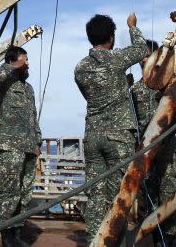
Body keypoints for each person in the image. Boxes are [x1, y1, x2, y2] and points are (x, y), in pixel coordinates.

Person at [74, 13, 148, 240]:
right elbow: (142, 49)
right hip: (118, 137)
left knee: (95, 193)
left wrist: (119, 87)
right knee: (119, 196)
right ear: (111, 37)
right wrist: (132, 27)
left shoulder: (80, 68)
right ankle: (113, 240)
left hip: (93, 136)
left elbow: (93, 95)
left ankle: (94, 241)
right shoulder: (116, 59)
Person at [0, 46, 41, 247]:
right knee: (9, 193)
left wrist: (37, 141)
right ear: (14, 60)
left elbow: (33, 118)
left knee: (24, 195)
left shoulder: (28, 89)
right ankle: (6, 238)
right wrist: (14, 65)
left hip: (28, 148)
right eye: (24, 59)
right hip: (9, 147)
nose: (27, 63)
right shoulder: (4, 83)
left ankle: (17, 234)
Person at [131, 40, 176, 246]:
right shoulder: (134, 90)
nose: (145, 60)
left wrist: (163, 136)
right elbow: (132, 122)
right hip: (145, 159)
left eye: (149, 56)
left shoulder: (170, 86)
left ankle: (169, 240)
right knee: (149, 202)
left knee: (169, 198)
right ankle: (156, 240)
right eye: (142, 57)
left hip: (166, 157)